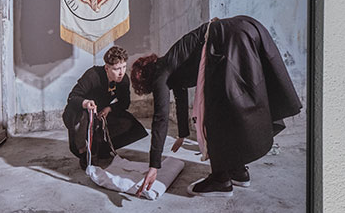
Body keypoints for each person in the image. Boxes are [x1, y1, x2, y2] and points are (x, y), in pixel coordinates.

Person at [129, 15, 302, 197]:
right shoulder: (172, 65)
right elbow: (180, 98)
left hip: (227, 38)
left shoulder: (160, 73)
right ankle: (238, 171)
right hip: (246, 27)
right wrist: (182, 134)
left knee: (214, 117)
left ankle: (220, 180)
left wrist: (154, 166)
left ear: (147, 79)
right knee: (229, 113)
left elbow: (160, 117)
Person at [62, 46, 148, 169]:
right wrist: (86, 103)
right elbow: (72, 97)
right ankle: (84, 153)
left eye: (124, 67)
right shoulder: (92, 75)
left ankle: (102, 147)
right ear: (107, 68)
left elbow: (125, 103)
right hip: (79, 113)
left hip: (100, 113)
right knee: (83, 117)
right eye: (116, 69)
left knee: (128, 123)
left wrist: (109, 108)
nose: (121, 72)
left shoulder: (123, 80)